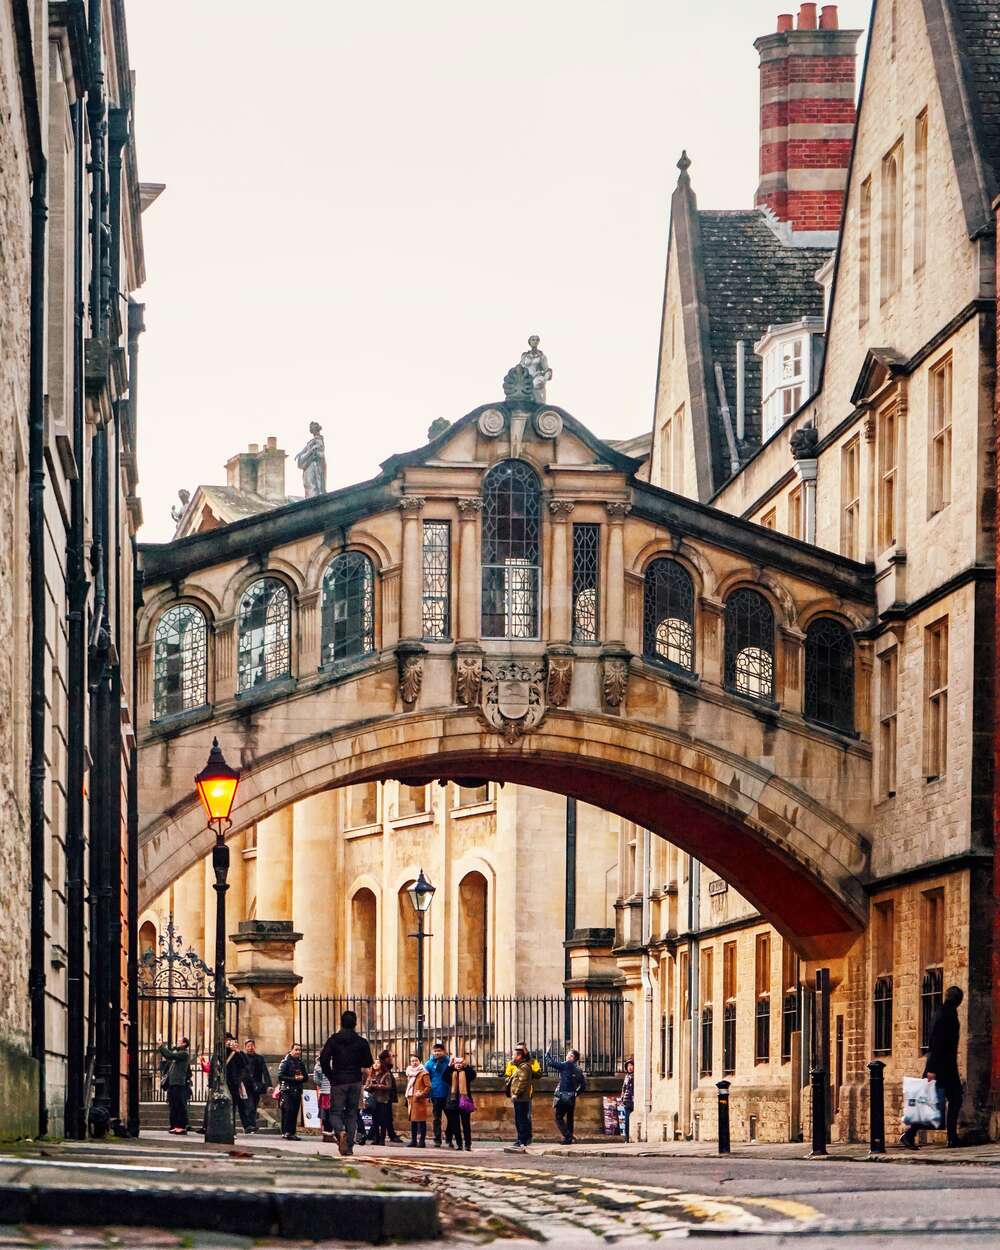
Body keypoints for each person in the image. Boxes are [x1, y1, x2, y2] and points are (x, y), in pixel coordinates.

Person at [900, 984, 965, 1149]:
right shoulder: (945, 1015)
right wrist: (931, 1070)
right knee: (934, 1100)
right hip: (940, 1067)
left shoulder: (944, 1012)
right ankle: (910, 1135)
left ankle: (951, 1137)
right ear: (958, 1000)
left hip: (944, 1066)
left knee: (947, 1099)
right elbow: (936, 1043)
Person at [319, 1009, 374, 1156]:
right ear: (355, 1023)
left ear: (341, 1022)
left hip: (338, 1080)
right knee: (352, 1114)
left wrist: (330, 1075)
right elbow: (368, 1061)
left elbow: (323, 1060)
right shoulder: (361, 1042)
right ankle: (349, 1147)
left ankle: (340, 1131)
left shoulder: (333, 1040)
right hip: (355, 1080)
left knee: (335, 1112)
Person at [545, 1047, 586, 1145]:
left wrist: (547, 1054)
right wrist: (577, 1093)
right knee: (570, 1118)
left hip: (563, 1096)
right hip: (572, 1097)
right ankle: (568, 1139)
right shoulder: (578, 1069)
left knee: (558, 1117)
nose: (568, 1056)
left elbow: (552, 1063)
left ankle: (568, 1136)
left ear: (574, 1058)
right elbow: (583, 1085)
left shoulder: (566, 1065)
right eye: (568, 1054)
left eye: (571, 1055)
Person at [504, 1043, 540, 1153]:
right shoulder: (520, 1066)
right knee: (520, 1120)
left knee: (522, 1120)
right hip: (520, 1098)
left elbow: (523, 1082)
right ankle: (520, 1140)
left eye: (514, 1055)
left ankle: (522, 1141)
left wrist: (516, 1093)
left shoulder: (524, 1067)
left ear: (519, 1056)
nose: (512, 1058)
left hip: (522, 1097)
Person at [444, 1051, 477, 1152]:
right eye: (456, 1063)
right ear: (454, 1064)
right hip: (453, 1102)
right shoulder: (451, 1074)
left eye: (460, 1063)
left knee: (466, 1124)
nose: (458, 1065)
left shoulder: (466, 1074)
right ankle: (459, 1144)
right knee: (456, 1126)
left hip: (465, 1102)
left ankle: (468, 1144)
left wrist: (467, 1066)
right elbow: (443, 1077)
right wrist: (449, 1065)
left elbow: (473, 1075)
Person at [158, 1036, 191, 1134]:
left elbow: (169, 1055)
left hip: (179, 1083)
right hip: (172, 1083)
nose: (177, 1042)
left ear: (184, 1043)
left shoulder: (184, 1054)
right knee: (173, 1105)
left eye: (179, 1041)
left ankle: (182, 1126)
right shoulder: (177, 1053)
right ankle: (174, 1125)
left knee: (180, 1105)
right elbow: (170, 1056)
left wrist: (161, 1046)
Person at [424, 1041, 452, 1147]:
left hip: (448, 1094)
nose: (437, 1053)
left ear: (444, 1052)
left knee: (451, 1118)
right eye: (435, 1051)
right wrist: (428, 1095)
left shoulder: (449, 1062)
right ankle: (437, 1139)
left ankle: (449, 1138)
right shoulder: (429, 1064)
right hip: (435, 1094)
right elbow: (426, 1080)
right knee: (436, 1118)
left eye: (439, 1051)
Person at [276, 1041, 307, 1140]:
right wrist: (294, 1079)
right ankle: (287, 1132)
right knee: (288, 1111)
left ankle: (291, 1132)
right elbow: (280, 1076)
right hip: (287, 1090)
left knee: (294, 1112)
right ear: (291, 1050)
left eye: (299, 1050)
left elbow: (306, 1077)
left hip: (297, 1090)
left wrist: (302, 1078)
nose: (298, 1052)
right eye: (296, 1050)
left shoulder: (300, 1062)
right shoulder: (285, 1061)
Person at [366, 1050, 397, 1145]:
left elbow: (389, 1086)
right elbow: (366, 1086)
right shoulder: (372, 1074)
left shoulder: (386, 1074)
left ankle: (382, 1139)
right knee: (375, 1120)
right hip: (374, 1100)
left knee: (383, 1120)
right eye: (374, 1063)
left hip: (383, 1100)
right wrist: (369, 1087)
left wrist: (377, 1086)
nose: (375, 1064)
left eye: (378, 1062)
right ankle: (376, 1138)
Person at [224, 1032, 252, 1133]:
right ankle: (231, 1128)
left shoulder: (237, 1053)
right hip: (225, 1082)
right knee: (230, 1107)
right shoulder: (223, 1051)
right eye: (228, 1041)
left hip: (236, 1082)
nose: (230, 1043)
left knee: (236, 1105)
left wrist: (237, 1051)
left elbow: (245, 1063)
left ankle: (238, 1127)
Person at [242, 1039, 271, 1133]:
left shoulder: (259, 1058)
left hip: (256, 1086)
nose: (250, 1048)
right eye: (248, 1046)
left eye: (252, 1046)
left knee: (254, 1105)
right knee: (249, 1105)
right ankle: (249, 1125)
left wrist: (268, 1085)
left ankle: (251, 1125)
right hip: (246, 1085)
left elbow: (265, 1072)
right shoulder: (242, 1057)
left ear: (254, 1046)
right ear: (245, 1047)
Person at [404, 1052, 431, 1147]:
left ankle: (422, 1141)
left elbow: (428, 1086)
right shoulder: (410, 1072)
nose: (414, 1062)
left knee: (421, 1121)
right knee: (413, 1121)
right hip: (411, 1098)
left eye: (416, 1060)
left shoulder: (424, 1073)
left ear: (420, 1062)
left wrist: (422, 1094)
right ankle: (413, 1140)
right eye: (412, 1061)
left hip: (419, 1099)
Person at [385, 1048, 405, 1144]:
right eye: (391, 1056)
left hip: (387, 1095)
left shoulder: (388, 1067)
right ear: (386, 1058)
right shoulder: (384, 1067)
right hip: (385, 1096)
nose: (393, 1058)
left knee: (387, 1116)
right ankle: (390, 1135)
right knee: (386, 1116)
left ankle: (391, 1134)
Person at [314, 1055, 334, 1143]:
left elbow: (316, 1080)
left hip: (323, 1092)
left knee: (325, 1114)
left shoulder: (318, 1065)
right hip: (333, 1091)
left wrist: (323, 1085)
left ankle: (326, 1135)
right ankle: (331, 1134)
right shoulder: (335, 1062)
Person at [620, 1058, 635, 1143]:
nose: (630, 1067)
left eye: (631, 1065)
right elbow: (624, 1087)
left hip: (634, 1100)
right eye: (628, 1066)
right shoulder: (626, 1076)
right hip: (627, 1100)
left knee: (630, 1120)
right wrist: (622, 1097)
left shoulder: (635, 1076)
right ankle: (626, 1138)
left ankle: (630, 1137)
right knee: (627, 1120)